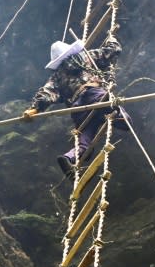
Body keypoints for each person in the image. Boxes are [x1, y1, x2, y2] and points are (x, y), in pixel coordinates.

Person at [22, 32, 129, 177]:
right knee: (121, 116)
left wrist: (34, 109)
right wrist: (112, 39)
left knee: (85, 142)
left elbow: (46, 94)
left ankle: (68, 158)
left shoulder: (57, 77)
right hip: (94, 94)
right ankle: (121, 119)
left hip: (78, 108)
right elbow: (111, 52)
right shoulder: (85, 56)